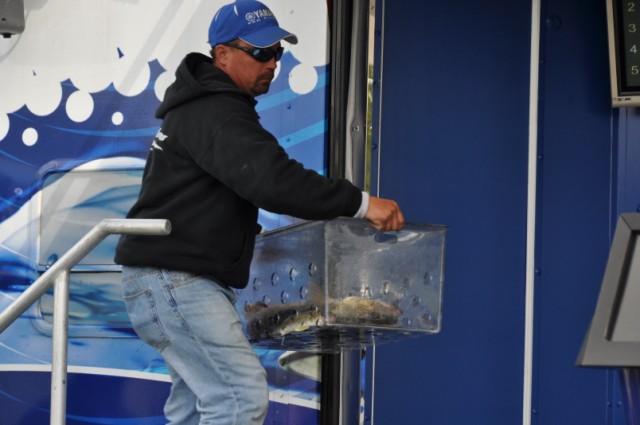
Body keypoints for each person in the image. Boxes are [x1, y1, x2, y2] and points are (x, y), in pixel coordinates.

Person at [114, 1, 404, 424]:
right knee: (240, 398)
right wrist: (361, 204)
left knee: (194, 408)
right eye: (260, 53)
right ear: (222, 54)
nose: (272, 64)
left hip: (168, 279)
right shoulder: (215, 110)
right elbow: (272, 181)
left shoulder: (205, 107)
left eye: (277, 53)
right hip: (176, 280)